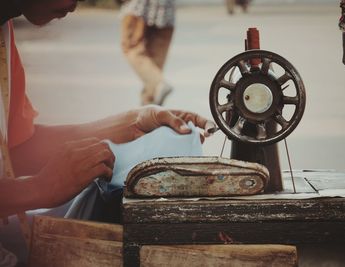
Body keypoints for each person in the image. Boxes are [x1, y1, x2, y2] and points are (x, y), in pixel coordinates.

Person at [0, 0, 214, 264]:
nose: (75, 5)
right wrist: (37, 189)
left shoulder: (4, 32)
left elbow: (13, 151)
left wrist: (130, 124)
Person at [120, 0, 176, 105]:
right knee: (153, 65)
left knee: (132, 48)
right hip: (166, 12)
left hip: (139, 8)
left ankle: (158, 84)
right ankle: (150, 111)